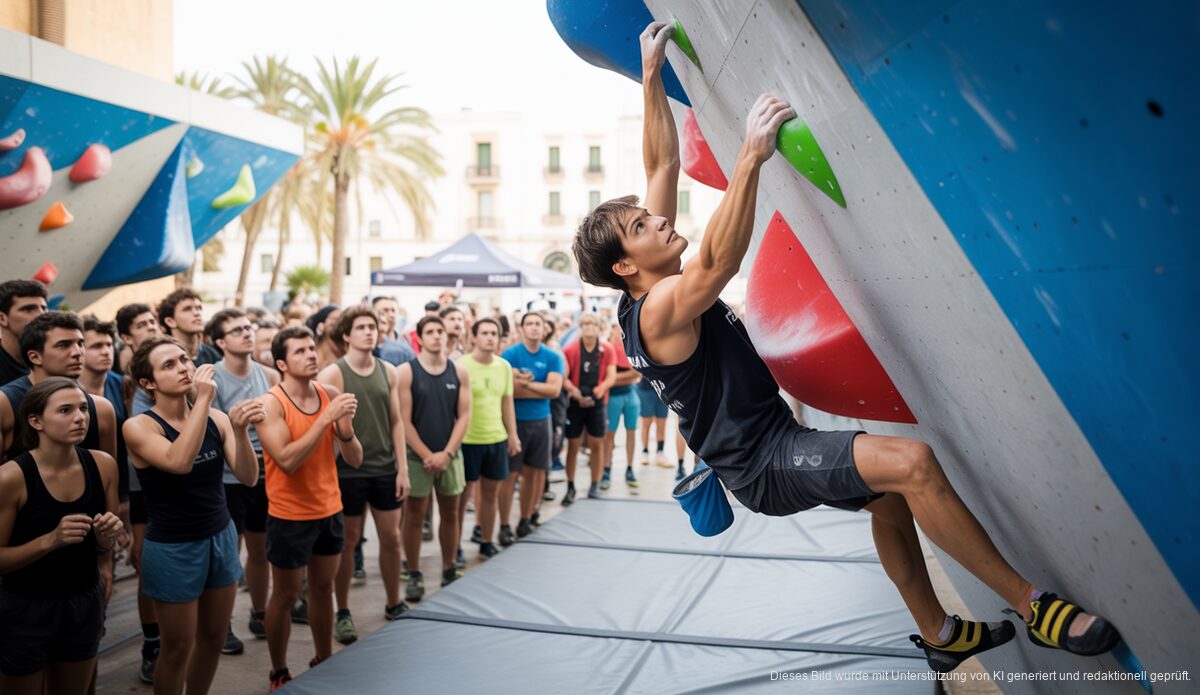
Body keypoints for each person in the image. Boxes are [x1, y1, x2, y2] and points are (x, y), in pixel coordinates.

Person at [571, 20, 1122, 673]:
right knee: (911, 465)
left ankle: (941, 635)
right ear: (627, 266)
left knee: (888, 500)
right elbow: (716, 266)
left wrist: (651, 77)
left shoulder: (641, 289)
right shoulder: (660, 308)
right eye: (642, 226)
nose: (660, 219)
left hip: (766, 447)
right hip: (766, 463)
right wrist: (749, 157)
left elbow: (661, 163)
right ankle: (1037, 608)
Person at [122, 337, 260, 695]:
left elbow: (248, 477)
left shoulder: (217, 418)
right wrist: (203, 402)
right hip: (173, 548)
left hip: (220, 536)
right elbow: (179, 462)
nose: (183, 367)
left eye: (184, 359)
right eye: (169, 365)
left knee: (213, 638)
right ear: (148, 384)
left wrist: (241, 430)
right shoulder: (140, 427)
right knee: (177, 649)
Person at [0, 378, 123, 695]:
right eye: (65, 410)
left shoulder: (103, 465)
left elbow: (103, 544)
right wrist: (50, 540)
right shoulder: (12, 477)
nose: (80, 417)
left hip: (84, 600)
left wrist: (108, 538)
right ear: (36, 420)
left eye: (83, 408)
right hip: (25, 606)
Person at [257, 326, 363, 691]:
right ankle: (278, 670)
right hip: (289, 515)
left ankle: (323, 660)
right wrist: (326, 419)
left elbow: (355, 456)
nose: (311, 355)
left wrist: (345, 429)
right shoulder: (271, 403)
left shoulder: (328, 393)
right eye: (300, 351)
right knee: (285, 595)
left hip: (329, 508)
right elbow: (286, 460)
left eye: (311, 348)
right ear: (282, 363)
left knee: (323, 589)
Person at [316, 306, 408, 644]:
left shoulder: (389, 371)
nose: (369, 332)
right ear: (346, 335)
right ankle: (342, 611)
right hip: (348, 473)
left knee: (392, 538)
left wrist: (402, 468)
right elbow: (322, 428)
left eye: (373, 327)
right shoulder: (332, 375)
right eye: (361, 327)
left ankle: (394, 601)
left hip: (385, 468)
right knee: (348, 543)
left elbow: (396, 421)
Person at [208, 309, 281, 652]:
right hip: (229, 476)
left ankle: (259, 612)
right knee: (229, 552)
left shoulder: (267, 375)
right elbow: (214, 432)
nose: (247, 333)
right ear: (220, 342)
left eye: (249, 327)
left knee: (259, 548)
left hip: (266, 472)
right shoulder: (214, 381)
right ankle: (221, 626)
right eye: (237, 330)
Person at [397, 316, 470, 595]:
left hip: (450, 455)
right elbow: (403, 421)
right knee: (414, 515)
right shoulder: (406, 372)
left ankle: (449, 566)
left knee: (451, 513)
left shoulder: (459, 371)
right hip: (418, 457)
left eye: (440, 331)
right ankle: (413, 571)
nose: (437, 336)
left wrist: (447, 453)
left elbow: (464, 416)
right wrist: (428, 455)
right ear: (420, 337)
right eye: (430, 331)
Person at [115, 301, 164, 681]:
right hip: (140, 487)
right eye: (142, 324)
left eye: (153, 321)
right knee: (146, 567)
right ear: (127, 336)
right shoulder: (123, 382)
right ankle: (152, 642)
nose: (151, 327)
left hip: (180, 487)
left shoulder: (175, 368)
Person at [1, 313, 118, 466]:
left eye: (81, 343)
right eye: (63, 345)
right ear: (35, 357)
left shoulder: (101, 409)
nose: (78, 353)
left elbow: (113, 479)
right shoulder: (5, 403)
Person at [497, 313, 563, 543]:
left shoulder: (553, 357)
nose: (534, 328)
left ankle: (525, 519)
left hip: (541, 420)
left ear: (545, 329)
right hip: (515, 421)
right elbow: (508, 391)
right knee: (510, 475)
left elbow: (554, 391)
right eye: (530, 324)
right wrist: (537, 387)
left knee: (535, 474)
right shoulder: (510, 355)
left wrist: (523, 383)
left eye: (538, 324)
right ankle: (504, 525)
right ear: (521, 328)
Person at [458, 318, 519, 559]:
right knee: (462, 498)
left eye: (494, 333)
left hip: (496, 438)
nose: (490, 337)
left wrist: (512, 434)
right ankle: (456, 546)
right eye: (484, 333)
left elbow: (507, 402)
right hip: (468, 440)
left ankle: (486, 540)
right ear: (474, 337)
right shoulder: (461, 366)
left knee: (491, 495)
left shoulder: (503, 366)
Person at [561, 314, 617, 503]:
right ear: (580, 327)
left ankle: (595, 484)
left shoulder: (607, 349)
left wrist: (599, 391)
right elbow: (563, 377)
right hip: (575, 401)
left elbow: (611, 376)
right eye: (585, 324)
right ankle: (570, 486)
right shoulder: (570, 350)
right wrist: (574, 391)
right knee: (573, 444)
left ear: (599, 327)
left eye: (592, 323)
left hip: (597, 401)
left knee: (597, 443)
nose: (588, 327)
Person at [601, 323, 643, 490]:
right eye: (614, 328)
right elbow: (606, 377)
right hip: (613, 396)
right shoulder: (606, 349)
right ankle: (606, 468)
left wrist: (613, 378)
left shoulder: (629, 347)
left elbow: (637, 373)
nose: (617, 331)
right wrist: (625, 377)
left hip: (629, 394)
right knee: (609, 434)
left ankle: (630, 468)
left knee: (631, 432)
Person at [0, 280, 47, 387]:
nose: (41, 315)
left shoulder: (54, 360)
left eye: (43, 308)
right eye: (29, 309)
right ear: (2, 318)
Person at [158, 289, 221, 367]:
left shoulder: (213, 354)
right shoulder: (161, 356)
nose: (196, 313)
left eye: (199, 308)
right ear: (170, 321)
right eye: (187, 309)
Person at [371, 296, 415, 367]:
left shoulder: (407, 342)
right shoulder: (366, 344)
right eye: (385, 310)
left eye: (393, 310)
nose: (391, 314)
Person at [306, 306, 344, 371]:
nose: (341, 325)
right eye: (335, 319)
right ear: (321, 326)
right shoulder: (311, 357)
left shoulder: (347, 356)